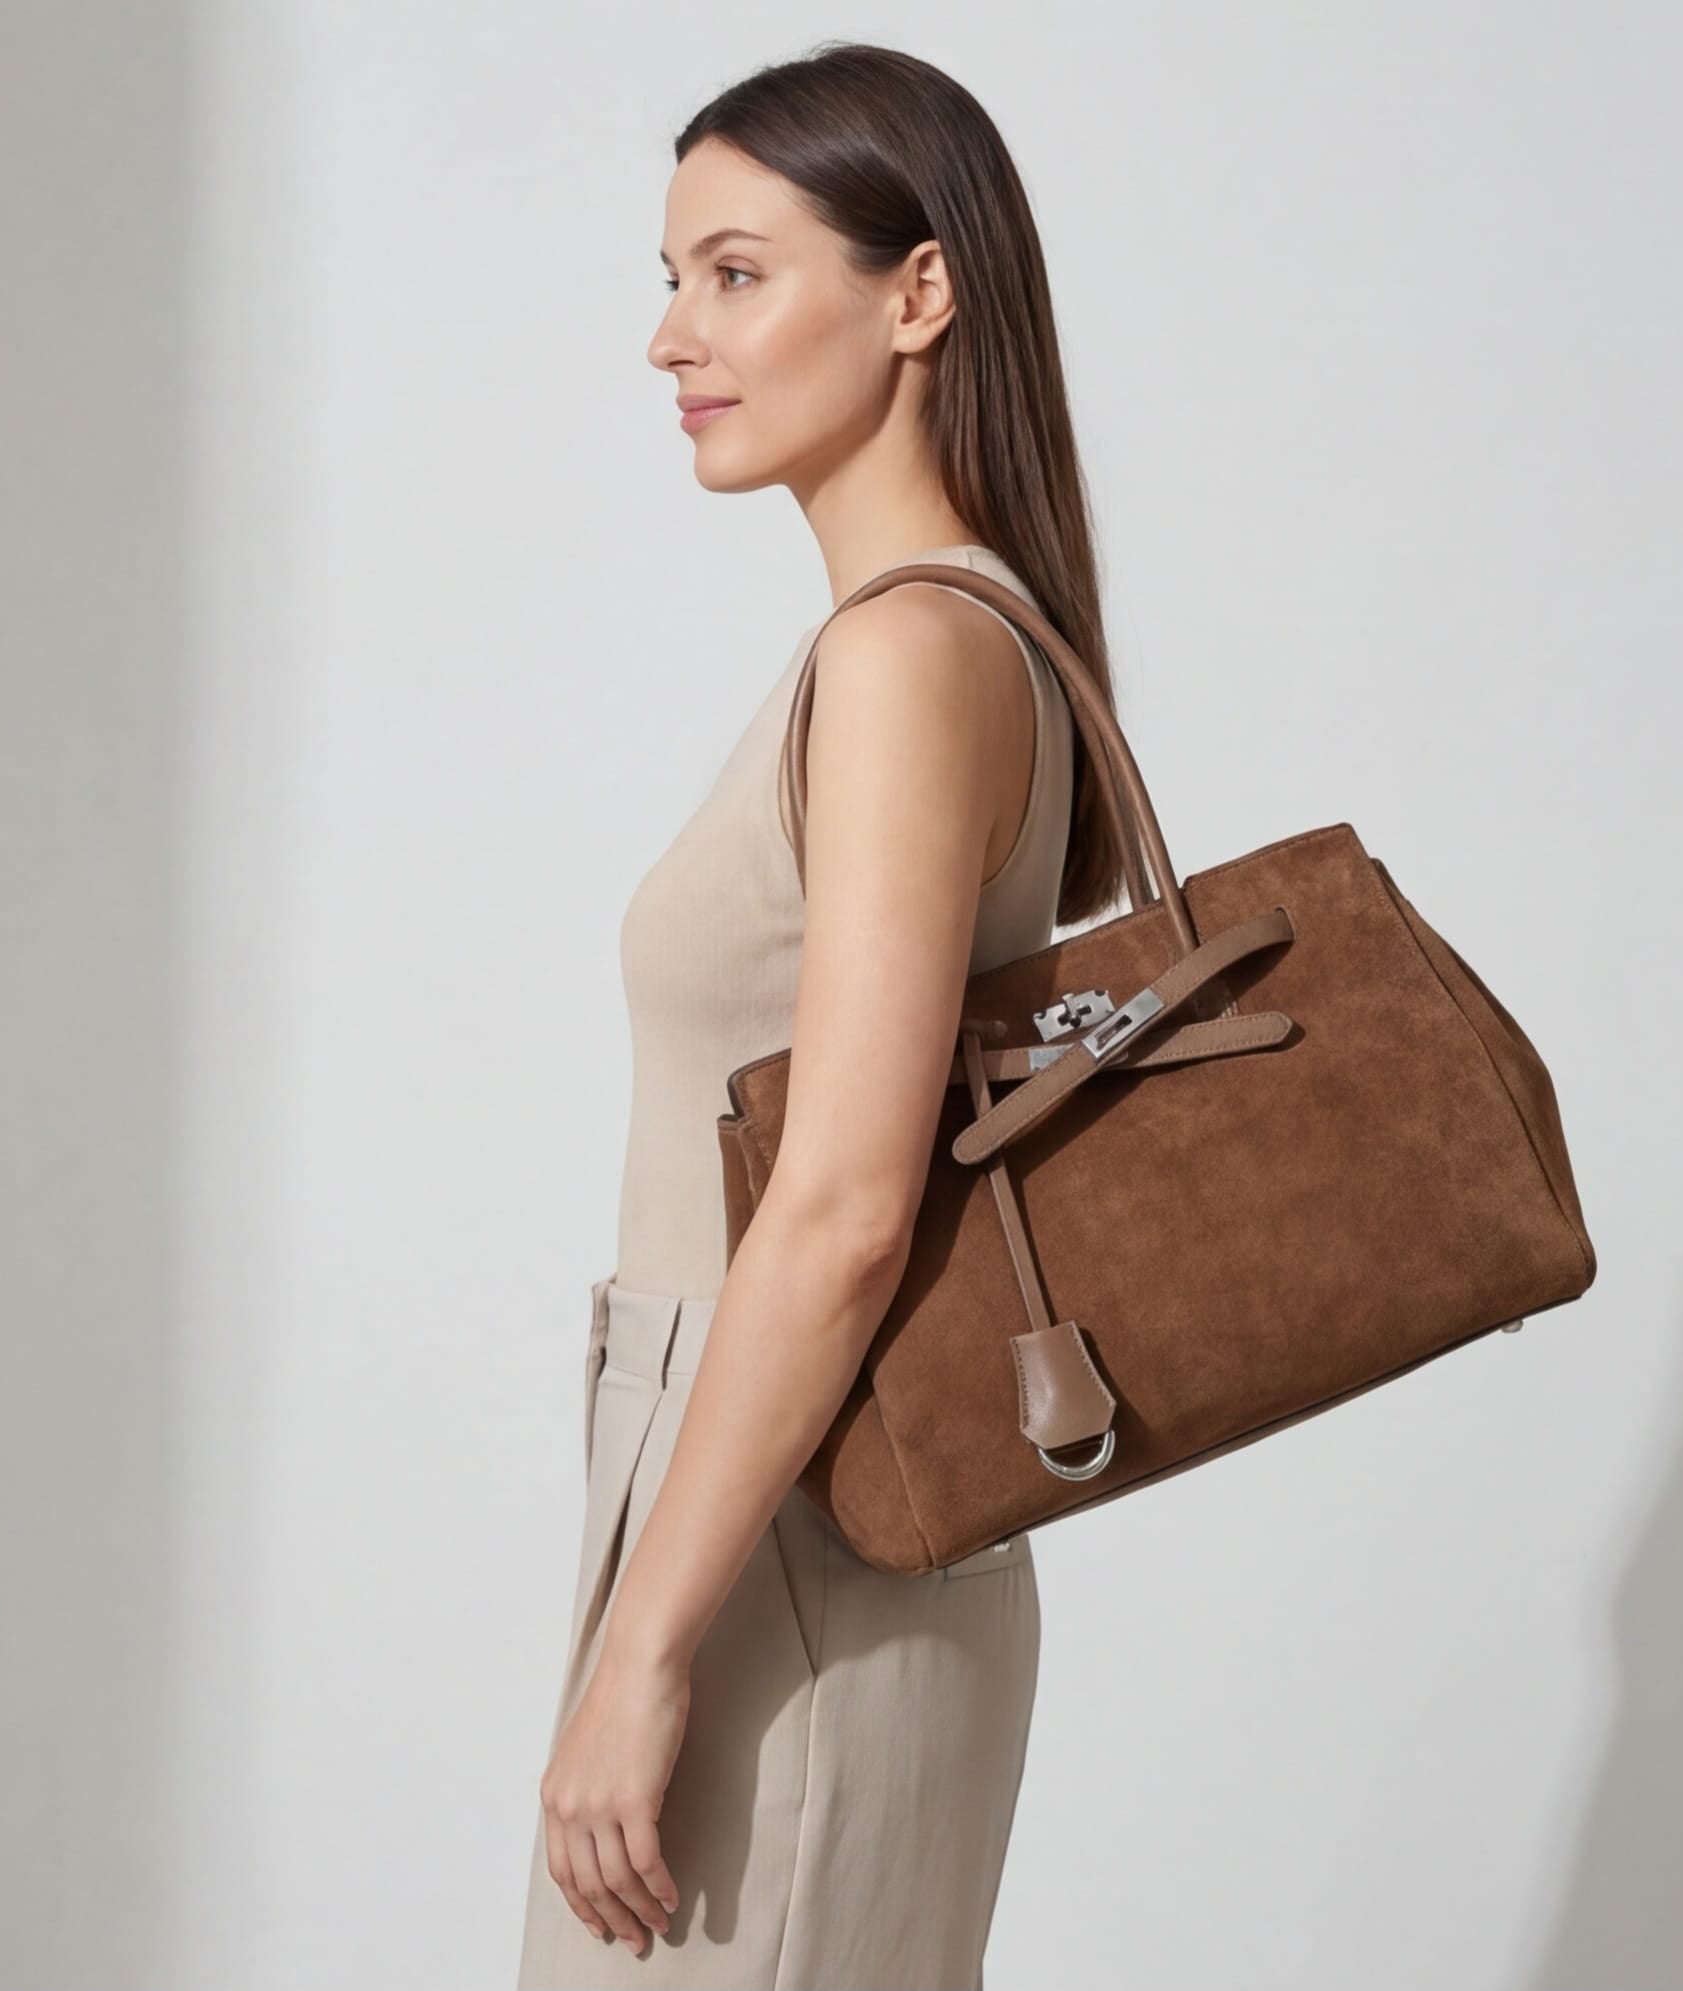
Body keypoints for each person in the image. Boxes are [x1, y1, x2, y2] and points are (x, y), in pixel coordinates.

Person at [517, 40, 1134, 1990]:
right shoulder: (958, 637)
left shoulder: (907, 657)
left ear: (919, 291)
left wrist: (645, 1652)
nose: (670, 337)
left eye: (734, 271)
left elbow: (853, 1200)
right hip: (773, 1508)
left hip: (785, 1531)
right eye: (674, 275)